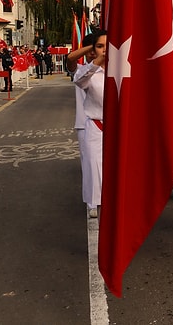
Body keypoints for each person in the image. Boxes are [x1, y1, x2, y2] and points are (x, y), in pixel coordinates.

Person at [72, 31, 107, 219]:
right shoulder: (86, 71)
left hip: (118, 130)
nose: (104, 50)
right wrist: (94, 56)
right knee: (93, 172)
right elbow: (78, 78)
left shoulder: (121, 69)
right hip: (92, 126)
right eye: (100, 46)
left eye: (108, 46)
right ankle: (94, 203)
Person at [66, 34, 98, 218]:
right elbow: (70, 58)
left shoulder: (105, 70)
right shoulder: (79, 70)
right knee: (89, 165)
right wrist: (91, 48)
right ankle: (92, 202)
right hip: (84, 123)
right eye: (92, 49)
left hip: (103, 122)